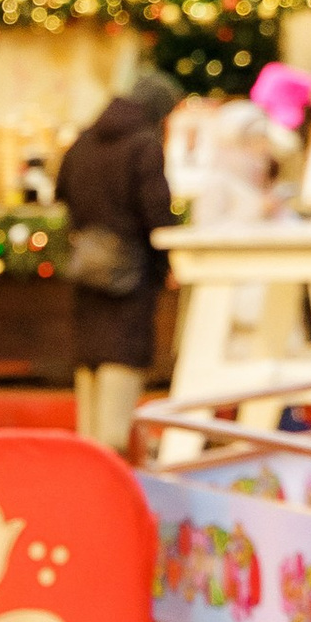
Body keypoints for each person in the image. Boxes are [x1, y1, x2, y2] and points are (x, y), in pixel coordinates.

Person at [58, 68, 180, 455]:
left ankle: (90, 461)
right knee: (121, 356)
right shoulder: (144, 144)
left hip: (86, 266)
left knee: (91, 363)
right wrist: (169, 260)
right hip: (130, 273)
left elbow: (63, 192)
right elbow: (156, 213)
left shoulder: (83, 141)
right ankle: (109, 460)